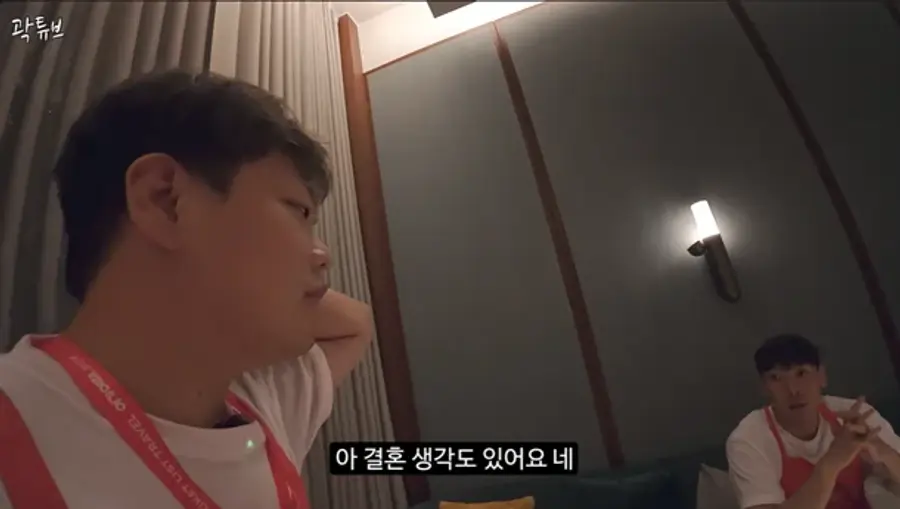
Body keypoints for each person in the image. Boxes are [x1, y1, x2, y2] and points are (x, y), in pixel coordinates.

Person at [0, 71, 375, 508]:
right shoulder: (15, 422)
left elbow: (357, 323)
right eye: (299, 211)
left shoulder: (259, 404)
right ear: (166, 201)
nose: (323, 254)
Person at [727, 334, 900, 509]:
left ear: (822, 376)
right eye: (776, 378)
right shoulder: (749, 439)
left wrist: (880, 447)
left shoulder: (855, 414)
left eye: (801, 373)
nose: (793, 390)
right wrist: (832, 461)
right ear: (764, 387)